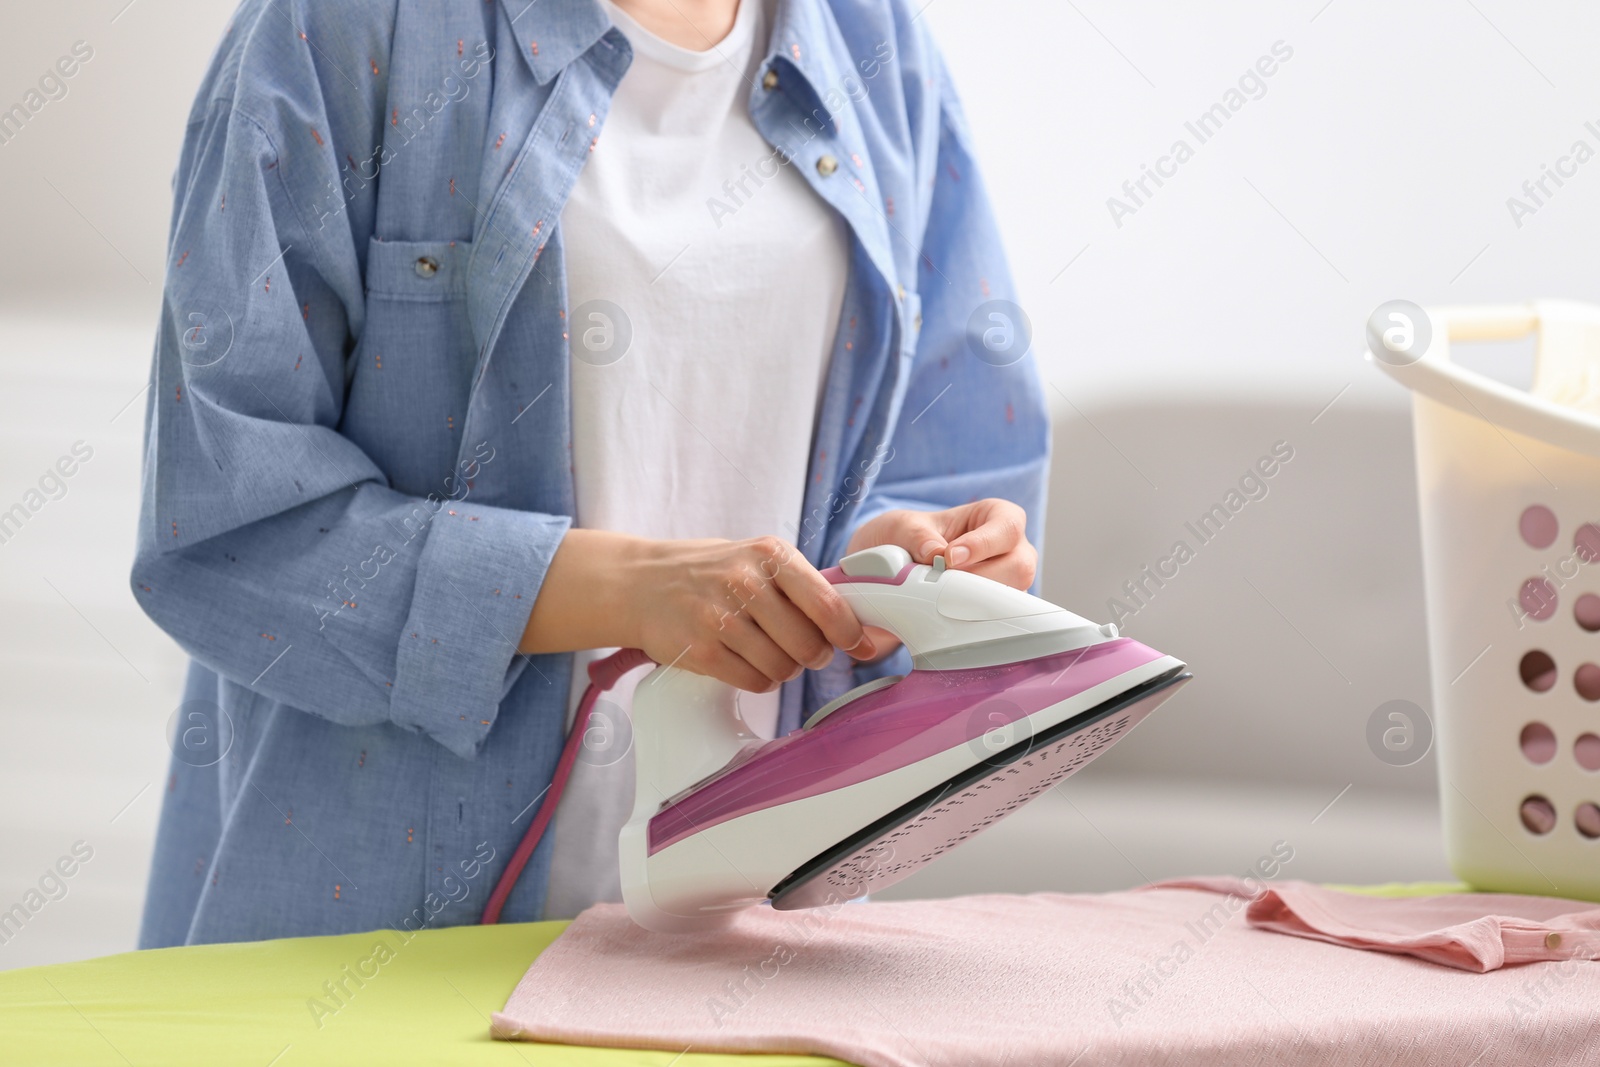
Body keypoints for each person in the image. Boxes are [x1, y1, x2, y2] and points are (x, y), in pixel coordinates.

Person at [133, 0, 1048, 947]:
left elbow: (952, 444)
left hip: (749, 945)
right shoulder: (340, 29)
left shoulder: (878, 47)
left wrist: (893, 563)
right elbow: (226, 527)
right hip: (369, 945)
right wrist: (629, 589)